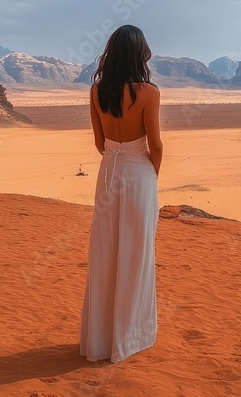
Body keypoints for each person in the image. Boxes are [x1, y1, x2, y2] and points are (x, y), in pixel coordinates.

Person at [80, 24, 164, 363]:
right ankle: (130, 336)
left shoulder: (97, 90)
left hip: (108, 172)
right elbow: (155, 143)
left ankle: (100, 341)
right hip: (138, 172)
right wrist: (149, 174)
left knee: (106, 251)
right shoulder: (148, 92)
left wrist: (117, 158)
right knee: (136, 252)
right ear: (139, 53)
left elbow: (100, 144)